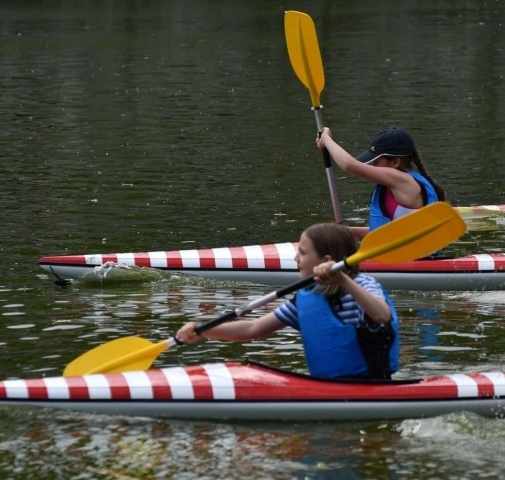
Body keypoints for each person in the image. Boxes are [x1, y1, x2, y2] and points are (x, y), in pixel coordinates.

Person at [175, 223, 400, 380]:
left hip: (373, 385)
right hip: (329, 385)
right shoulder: (308, 296)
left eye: (302, 253)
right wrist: (203, 330)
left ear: (326, 260)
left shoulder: (363, 284)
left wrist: (342, 278)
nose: (295, 258)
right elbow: (251, 328)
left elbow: (381, 315)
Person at [316, 126, 445, 237]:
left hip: (412, 261)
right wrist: (351, 232)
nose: (372, 164)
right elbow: (394, 231)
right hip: (402, 256)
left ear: (395, 162)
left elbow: (349, 165)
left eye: (376, 161)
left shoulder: (402, 179)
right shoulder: (395, 185)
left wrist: (327, 139)